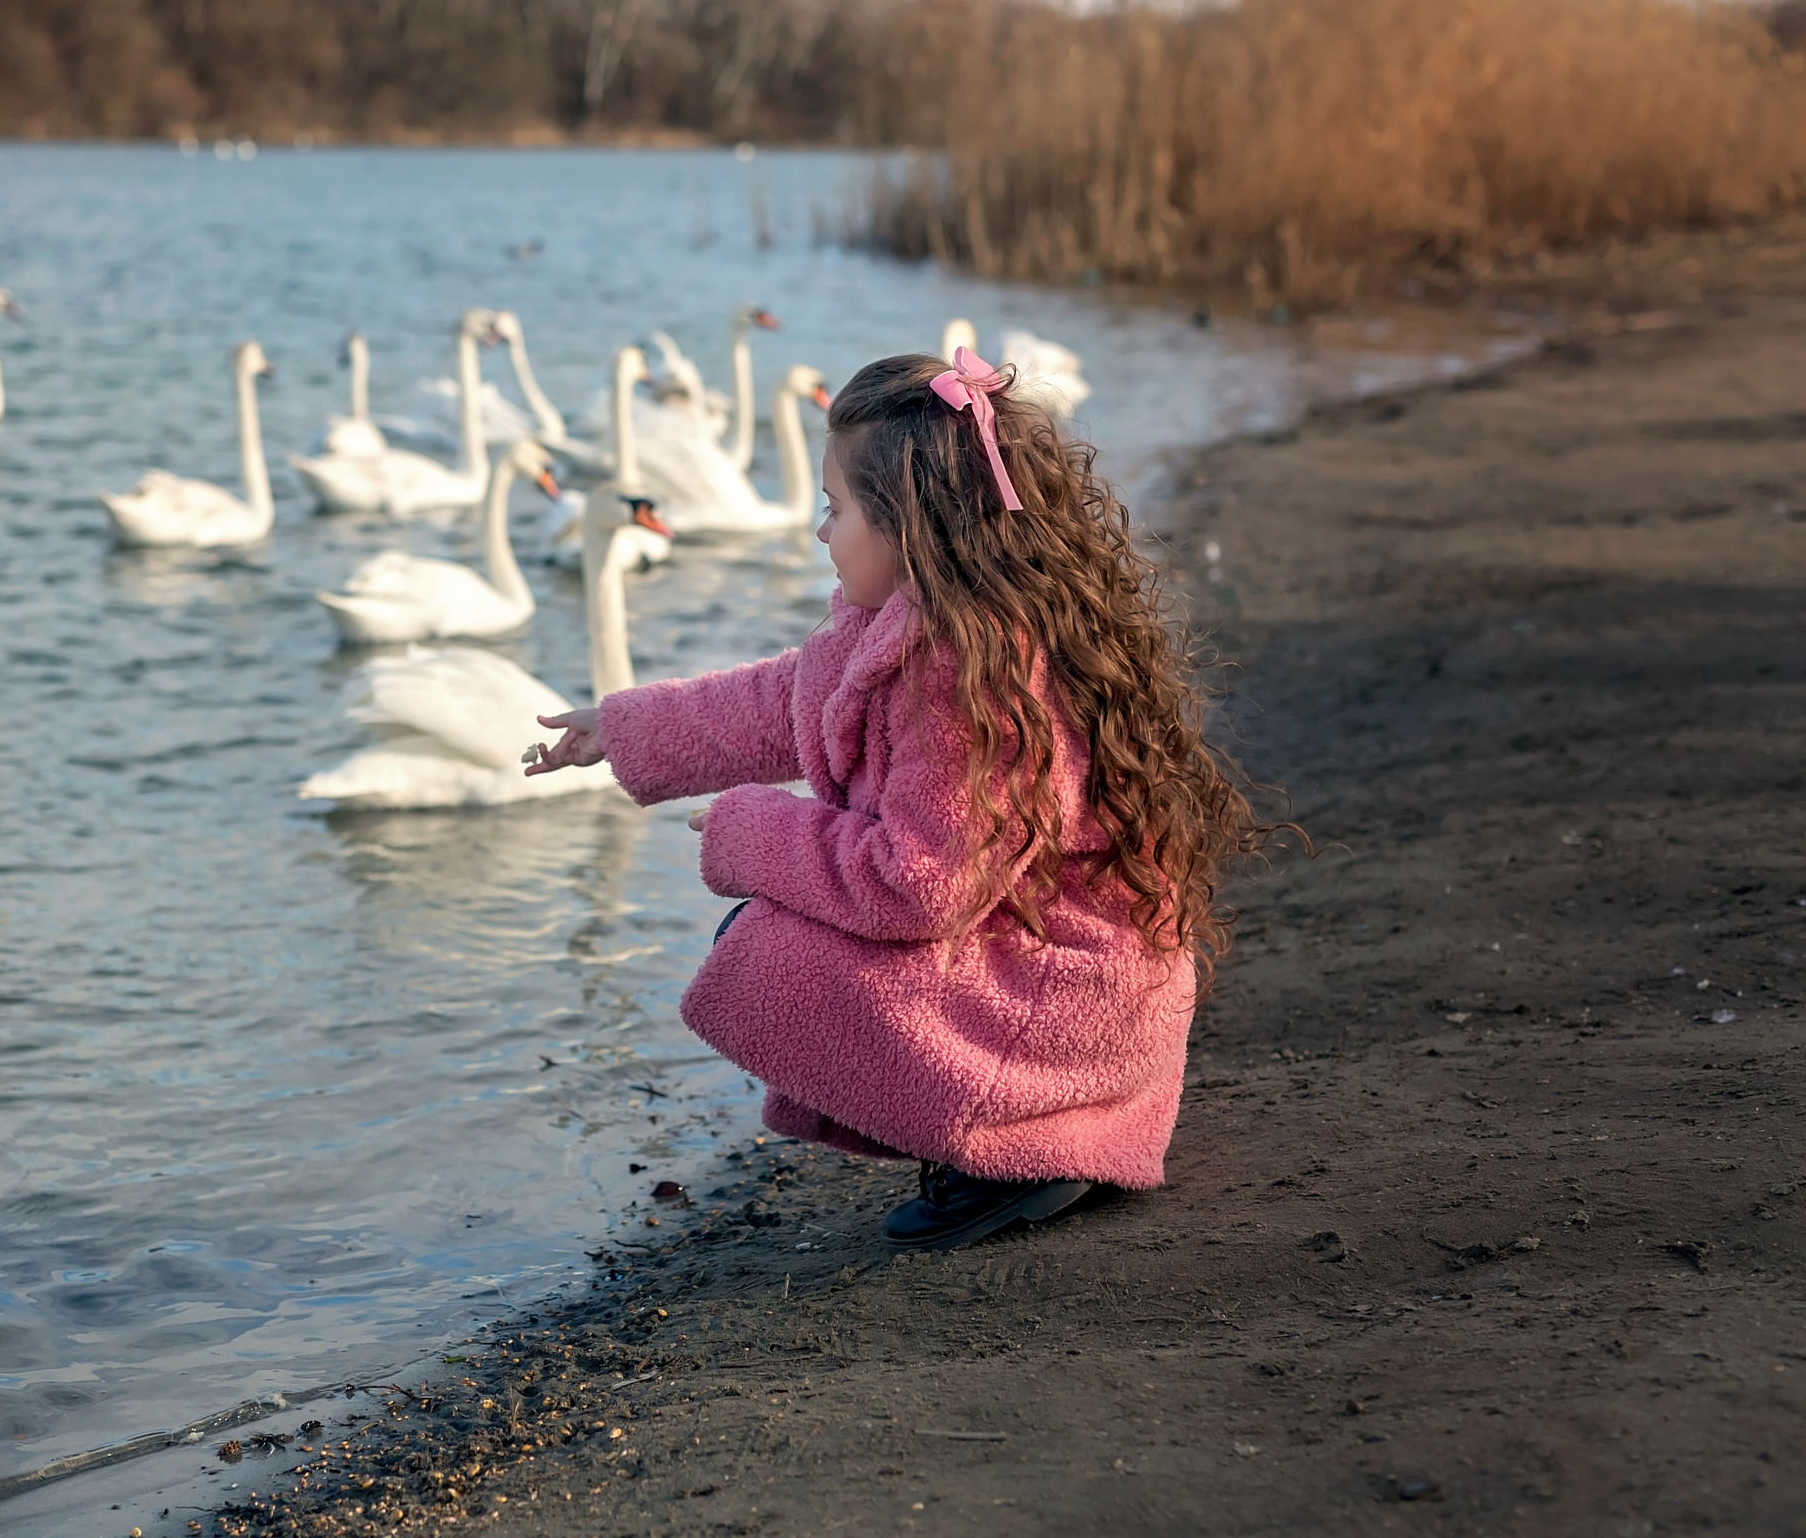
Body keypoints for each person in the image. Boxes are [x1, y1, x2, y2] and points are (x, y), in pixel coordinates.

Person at [522, 347, 1269, 1249]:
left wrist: (749, 829)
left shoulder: (971, 675)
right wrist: (624, 728)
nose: (818, 531)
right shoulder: (933, 623)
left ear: (909, 525)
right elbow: (781, 699)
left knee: (766, 946)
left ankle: (1019, 1148)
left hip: (1069, 1010)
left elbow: (918, 885)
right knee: (772, 931)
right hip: (1068, 979)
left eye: (835, 510)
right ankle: (1007, 1133)